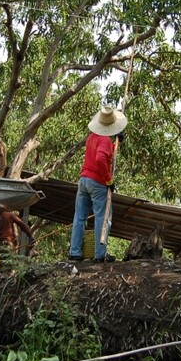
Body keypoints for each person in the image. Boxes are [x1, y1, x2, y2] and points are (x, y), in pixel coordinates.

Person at [68, 105, 127, 263]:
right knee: (103, 217)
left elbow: (103, 152)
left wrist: (116, 143)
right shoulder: (105, 140)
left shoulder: (92, 137)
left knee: (79, 217)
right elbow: (101, 159)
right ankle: (100, 255)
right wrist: (109, 180)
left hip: (84, 180)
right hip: (97, 183)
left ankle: (74, 252)